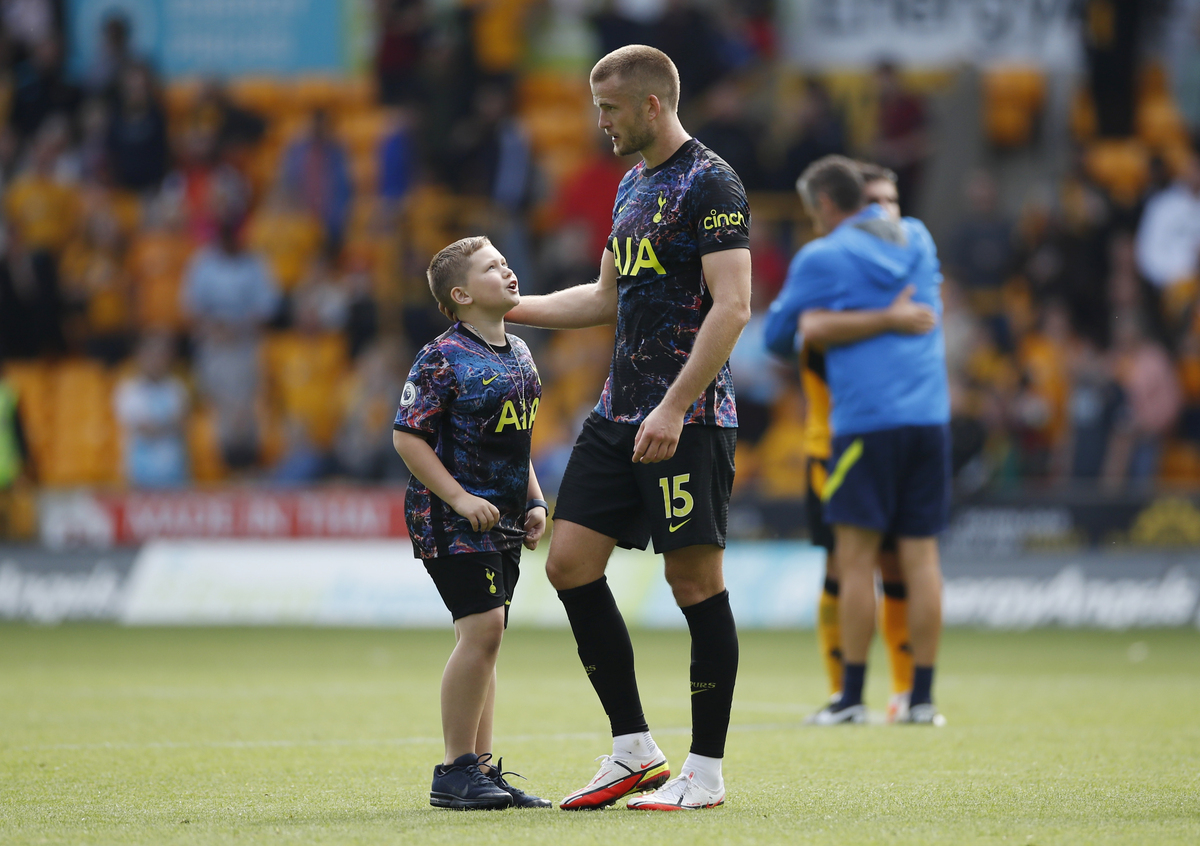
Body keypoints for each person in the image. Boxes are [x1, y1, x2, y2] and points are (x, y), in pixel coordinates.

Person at [504, 45, 751, 811]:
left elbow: (733, 305)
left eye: (608, 109)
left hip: (689, 415)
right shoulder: (631, 183)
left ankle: (704, 773)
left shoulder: (712, 181)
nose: (600, 122)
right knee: (569, 564)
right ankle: (634, 750)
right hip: (618, 411)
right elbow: (605, 297)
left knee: (694, 583)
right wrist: (508, 310)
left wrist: (674, 407)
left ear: (651, 104)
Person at [764, 155, 950, 725]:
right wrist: (887, 316)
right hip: (930, 419)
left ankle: (849, 698)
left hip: (864, 424)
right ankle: (921, 700)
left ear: (824, 204)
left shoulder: (823, 256)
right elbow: (919, 310)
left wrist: (837, 322)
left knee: (854, 562)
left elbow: (778, 337)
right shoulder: (919, 238)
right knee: (921, 559)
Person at [392, 236, 551, 811]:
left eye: (506, 262)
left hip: (501, 518)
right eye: (492, 267)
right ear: (460, 295)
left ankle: (480, 771)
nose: (507, 271)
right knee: (482, 630)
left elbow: (514, 441)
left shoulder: (521, 352)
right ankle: (455, 769)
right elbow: (407, 437)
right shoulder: (442, 356)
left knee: (487, 637)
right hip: (449, 517)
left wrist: (534, 500)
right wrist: (460, 499)